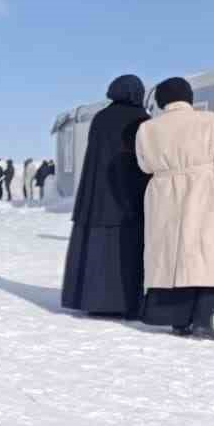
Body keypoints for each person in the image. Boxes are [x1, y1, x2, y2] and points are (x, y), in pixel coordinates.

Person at [136, 77, 214, 339]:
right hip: (202, 188)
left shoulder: (147, 128)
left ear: (161, 100)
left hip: (163, 191)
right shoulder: (211, 121)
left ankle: (177, 320)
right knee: (206, 253)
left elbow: (145, 165)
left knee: (169, 255)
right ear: (188, 97)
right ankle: (203, 321)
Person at [60, 74, 150, 317]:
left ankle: (94, 301)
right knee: (128, 250)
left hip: (96, 195)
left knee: (98, 250)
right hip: (129, 194)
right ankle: (127, 302)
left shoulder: (101, 118)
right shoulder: (141, 119)